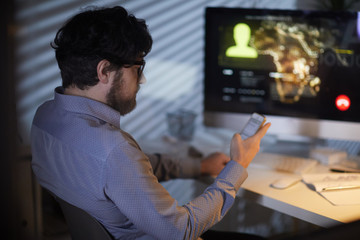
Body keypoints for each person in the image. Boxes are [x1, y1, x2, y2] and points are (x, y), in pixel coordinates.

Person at [31, 6, 271, 240]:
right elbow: (182, 229)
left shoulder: (44, 119)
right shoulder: (114, 150)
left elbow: (128, 175)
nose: (143, 79)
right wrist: (238, 164)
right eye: (138, 67)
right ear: (104, 71)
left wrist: (198, 166)